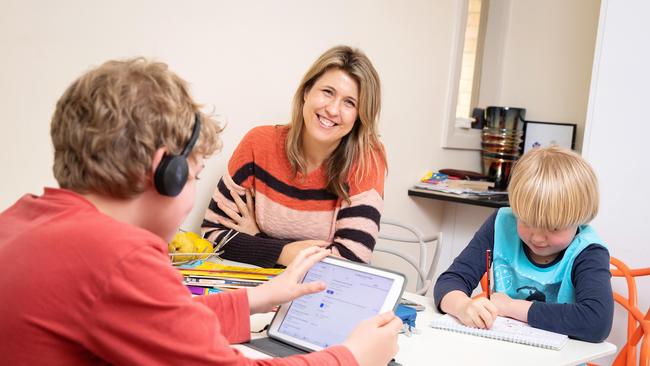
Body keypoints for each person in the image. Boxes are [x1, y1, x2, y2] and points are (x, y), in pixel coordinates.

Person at [0, 58, 402, 365]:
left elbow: (163, 319)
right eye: (193, 177)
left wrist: (257, 299)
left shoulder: (21, 219)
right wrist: (352, 356)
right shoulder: (118, 258)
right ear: (165, 173)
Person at [201, 45, 387, 267]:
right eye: (328, 92)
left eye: (350, 102)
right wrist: (286, 252)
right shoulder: (258, 144)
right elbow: (212, 236)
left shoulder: (367, 160)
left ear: (359, 116)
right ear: (307, 91)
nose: (333, 110)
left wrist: (259, 241)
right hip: (257, 290)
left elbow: (349, 263)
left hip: (317, 297)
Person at [433, 146, 614, 342]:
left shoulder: (588, 251)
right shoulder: (502, 224)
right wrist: (462, 306)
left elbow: (597, 322)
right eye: (526, 221)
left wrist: (511, 307)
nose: (537, 238)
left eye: (553, 228)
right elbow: (451, 280)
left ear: (580, 219)